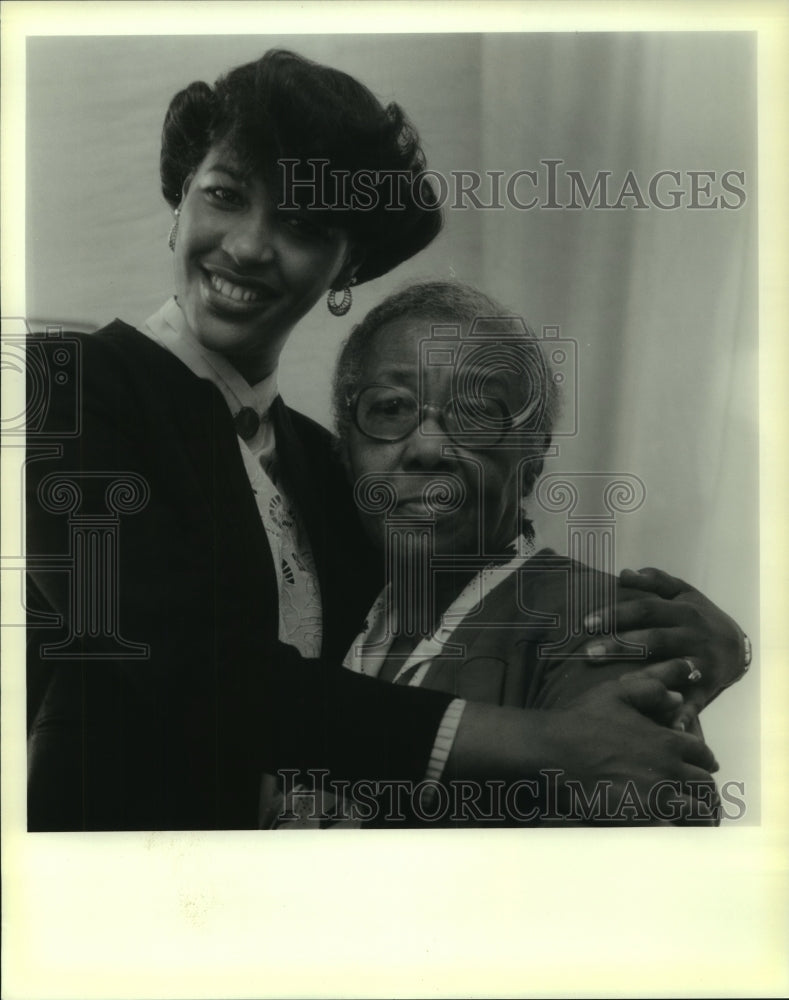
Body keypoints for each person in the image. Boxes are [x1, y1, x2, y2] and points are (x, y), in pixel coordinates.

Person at [25, 50, 740, 832]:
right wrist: (543, 742)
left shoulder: (324, 461)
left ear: (348, 264)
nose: (248, 246)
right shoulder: (60, 387)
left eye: (301, 223)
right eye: (225, 195)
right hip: (112, 895)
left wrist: (693, 648)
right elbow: (181, 663)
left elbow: (454, 609)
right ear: (179, 199)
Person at [325, 280, 750, 825]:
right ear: (344, 449)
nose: (429, 447)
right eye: (390, 407)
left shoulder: (603, 627)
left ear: (533, 463)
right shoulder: (320, 610)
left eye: (477, 414)